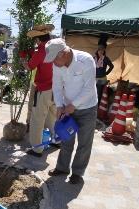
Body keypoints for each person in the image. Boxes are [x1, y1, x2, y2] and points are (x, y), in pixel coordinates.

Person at [45, 38, 98, 184]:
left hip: (87, 108)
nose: (53, 63)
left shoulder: (86, 60)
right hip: (68, 108)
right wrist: (60, 105)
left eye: (54, 59)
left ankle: (78, 172)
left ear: (64, 53)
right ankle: (62, 168)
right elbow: (56, 86)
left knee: (84, 142)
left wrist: (72, 105)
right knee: (66, 138)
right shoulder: (57, 65)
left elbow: (89, 88)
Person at [22, 24, 58, 157]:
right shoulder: (54, 49)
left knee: (38, 119)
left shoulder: (41, 51)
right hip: (55, 89)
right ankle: (57, 140)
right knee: (51, 117)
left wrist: (23, 61)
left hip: (43, 89)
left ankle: (37, 149)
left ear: (38, 39)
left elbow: (30, 66)